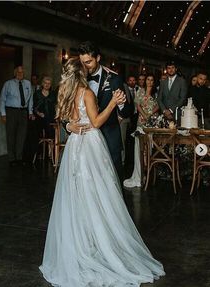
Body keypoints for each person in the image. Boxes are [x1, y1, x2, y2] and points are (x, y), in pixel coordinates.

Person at [39, 57, 165, 286]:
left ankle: (82, 241)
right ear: (81, 72)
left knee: (78, 194)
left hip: (74, 145)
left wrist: (69, 126)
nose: (89, 69)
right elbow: (96, 122)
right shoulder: (86, 92)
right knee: (100, 193)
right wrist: (112, 104)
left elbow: (64, 119)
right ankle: (96, 242)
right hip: (90, 146)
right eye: (85, 67)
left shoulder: (66, 91)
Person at [66, 41, 131, 182]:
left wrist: (119, 104)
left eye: (88, 62)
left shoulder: (114, 79)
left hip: (109, 135)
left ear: (98, 58)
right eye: (82, 62)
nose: (85, 66)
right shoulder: (77, 78)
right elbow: (65, 106)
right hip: (85, 140)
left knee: (114, 179)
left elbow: (127, 111)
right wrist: (68, 126)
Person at [124, 74, 159, 188]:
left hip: (151, 124)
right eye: (148, 79)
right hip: (141, 123)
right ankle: (139, 176)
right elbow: (137, 105)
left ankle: (147, 175)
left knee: (148, 151)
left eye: (151, 79)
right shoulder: (140, 91)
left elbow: (158, 106)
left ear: (154, 82)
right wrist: (145, 115)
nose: (149, 81)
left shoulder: (155, 93)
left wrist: (150, 114)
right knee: (139, 150)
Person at [0, 66, 33, 166]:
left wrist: (30, 112)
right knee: (11, 135)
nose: (20, 74)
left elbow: (30, 99)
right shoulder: (8, 84)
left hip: (23, 112)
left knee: (21, 135)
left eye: (22, 72)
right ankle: (12, 159)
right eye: (18, 72)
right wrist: (3, 114)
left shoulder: (28, 83)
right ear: (15, 73)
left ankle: (19, 157)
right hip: (11, 111)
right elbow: (2, 99)